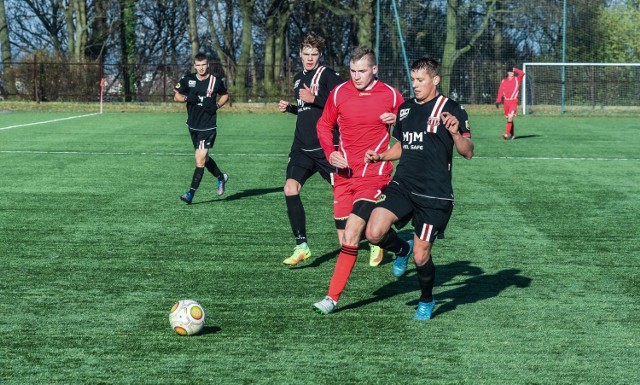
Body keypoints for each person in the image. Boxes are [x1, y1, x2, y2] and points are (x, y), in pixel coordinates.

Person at [364, 56, 474, 320]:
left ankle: (427, 299)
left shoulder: (451, 108)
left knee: (422, 255)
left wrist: (456, 133)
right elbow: (403, 145)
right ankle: (402, 248)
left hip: (434, 195)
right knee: (374, 232)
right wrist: (381, 157)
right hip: (403, 185)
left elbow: (468, 152)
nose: (415, 85)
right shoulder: (405, 109)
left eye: (420, 80)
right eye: (413, 80)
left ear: (435, 80)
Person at [278, 34, 384, 267]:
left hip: (328, 149)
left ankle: (375, 238)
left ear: (320, 55)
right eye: (306, 54)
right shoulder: (298, 78)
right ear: (300, 54)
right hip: (302, 147)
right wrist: (293, 108)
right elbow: (309, 111)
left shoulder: (328, 76)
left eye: (314, 54)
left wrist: (314, 97)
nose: (309, 58)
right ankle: (302, 246)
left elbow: (343, 100)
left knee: (351, 195)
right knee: (290, 188)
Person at [312, 47, 404, 315]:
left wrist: (397, 120)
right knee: (349, 240)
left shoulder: (391, 95)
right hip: (344, 176)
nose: (357, 76)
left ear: (375, 69)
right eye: (352, 71)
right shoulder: (339, 92)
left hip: (375, 175)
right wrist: (331, 153)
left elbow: (413, 127)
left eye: (362, 71)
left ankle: (331, 298)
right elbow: (323, 125)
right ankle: (401, 247)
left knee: (353, 232)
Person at [173, 53, 230, 204]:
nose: (201, 68)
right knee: (204, 158)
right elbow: (176, 96)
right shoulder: (188, 80)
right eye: (198, 65)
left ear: (208, 65)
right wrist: (186, 98)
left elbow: (225, 95)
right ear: (194, 66)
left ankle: (190, 194)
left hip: (208, 126)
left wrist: (217, 106)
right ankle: (221, 177)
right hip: (193, 125)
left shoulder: (215, 81)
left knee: (199, 159)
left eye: (203, 65)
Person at [495, 66, 525, 140]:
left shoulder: (517, 79)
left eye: (512, 72)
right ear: (507, 72)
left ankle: (506, 134)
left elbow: (522, 73)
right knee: (509, 118)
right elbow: (500, 91)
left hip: (513, 101)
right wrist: (498, 100)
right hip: (506, 101)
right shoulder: (504, 81)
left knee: (510, 116)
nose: (511, 73)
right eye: (510, 72)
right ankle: (513, 134)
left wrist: (515, 69)